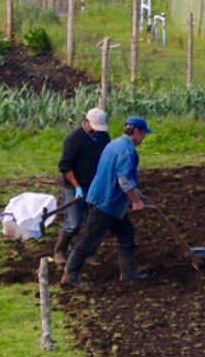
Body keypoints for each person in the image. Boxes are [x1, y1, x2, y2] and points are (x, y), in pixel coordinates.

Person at [62, 116, 152, 286]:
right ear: (137, 132)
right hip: (106, 203)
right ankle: (70, 275)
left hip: (107, 200)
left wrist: (137, 193)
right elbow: (124, 180)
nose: (144, 137)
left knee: (126, 234)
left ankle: (129, 274)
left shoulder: (114, 144)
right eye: (144, 133)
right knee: (90, 240)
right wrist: (136, 201)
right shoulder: (128, 151)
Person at [53, 107, 110, 265]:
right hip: (75, 186)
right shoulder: (74, 139)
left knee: (93, 222)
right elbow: (65, 166)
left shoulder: (104, 137)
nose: (97, 131)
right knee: (74, 222)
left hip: (95, 186)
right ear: (87, 123)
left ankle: (89, 253)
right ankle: (60, 250)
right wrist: (77, 186)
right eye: (94, 128)